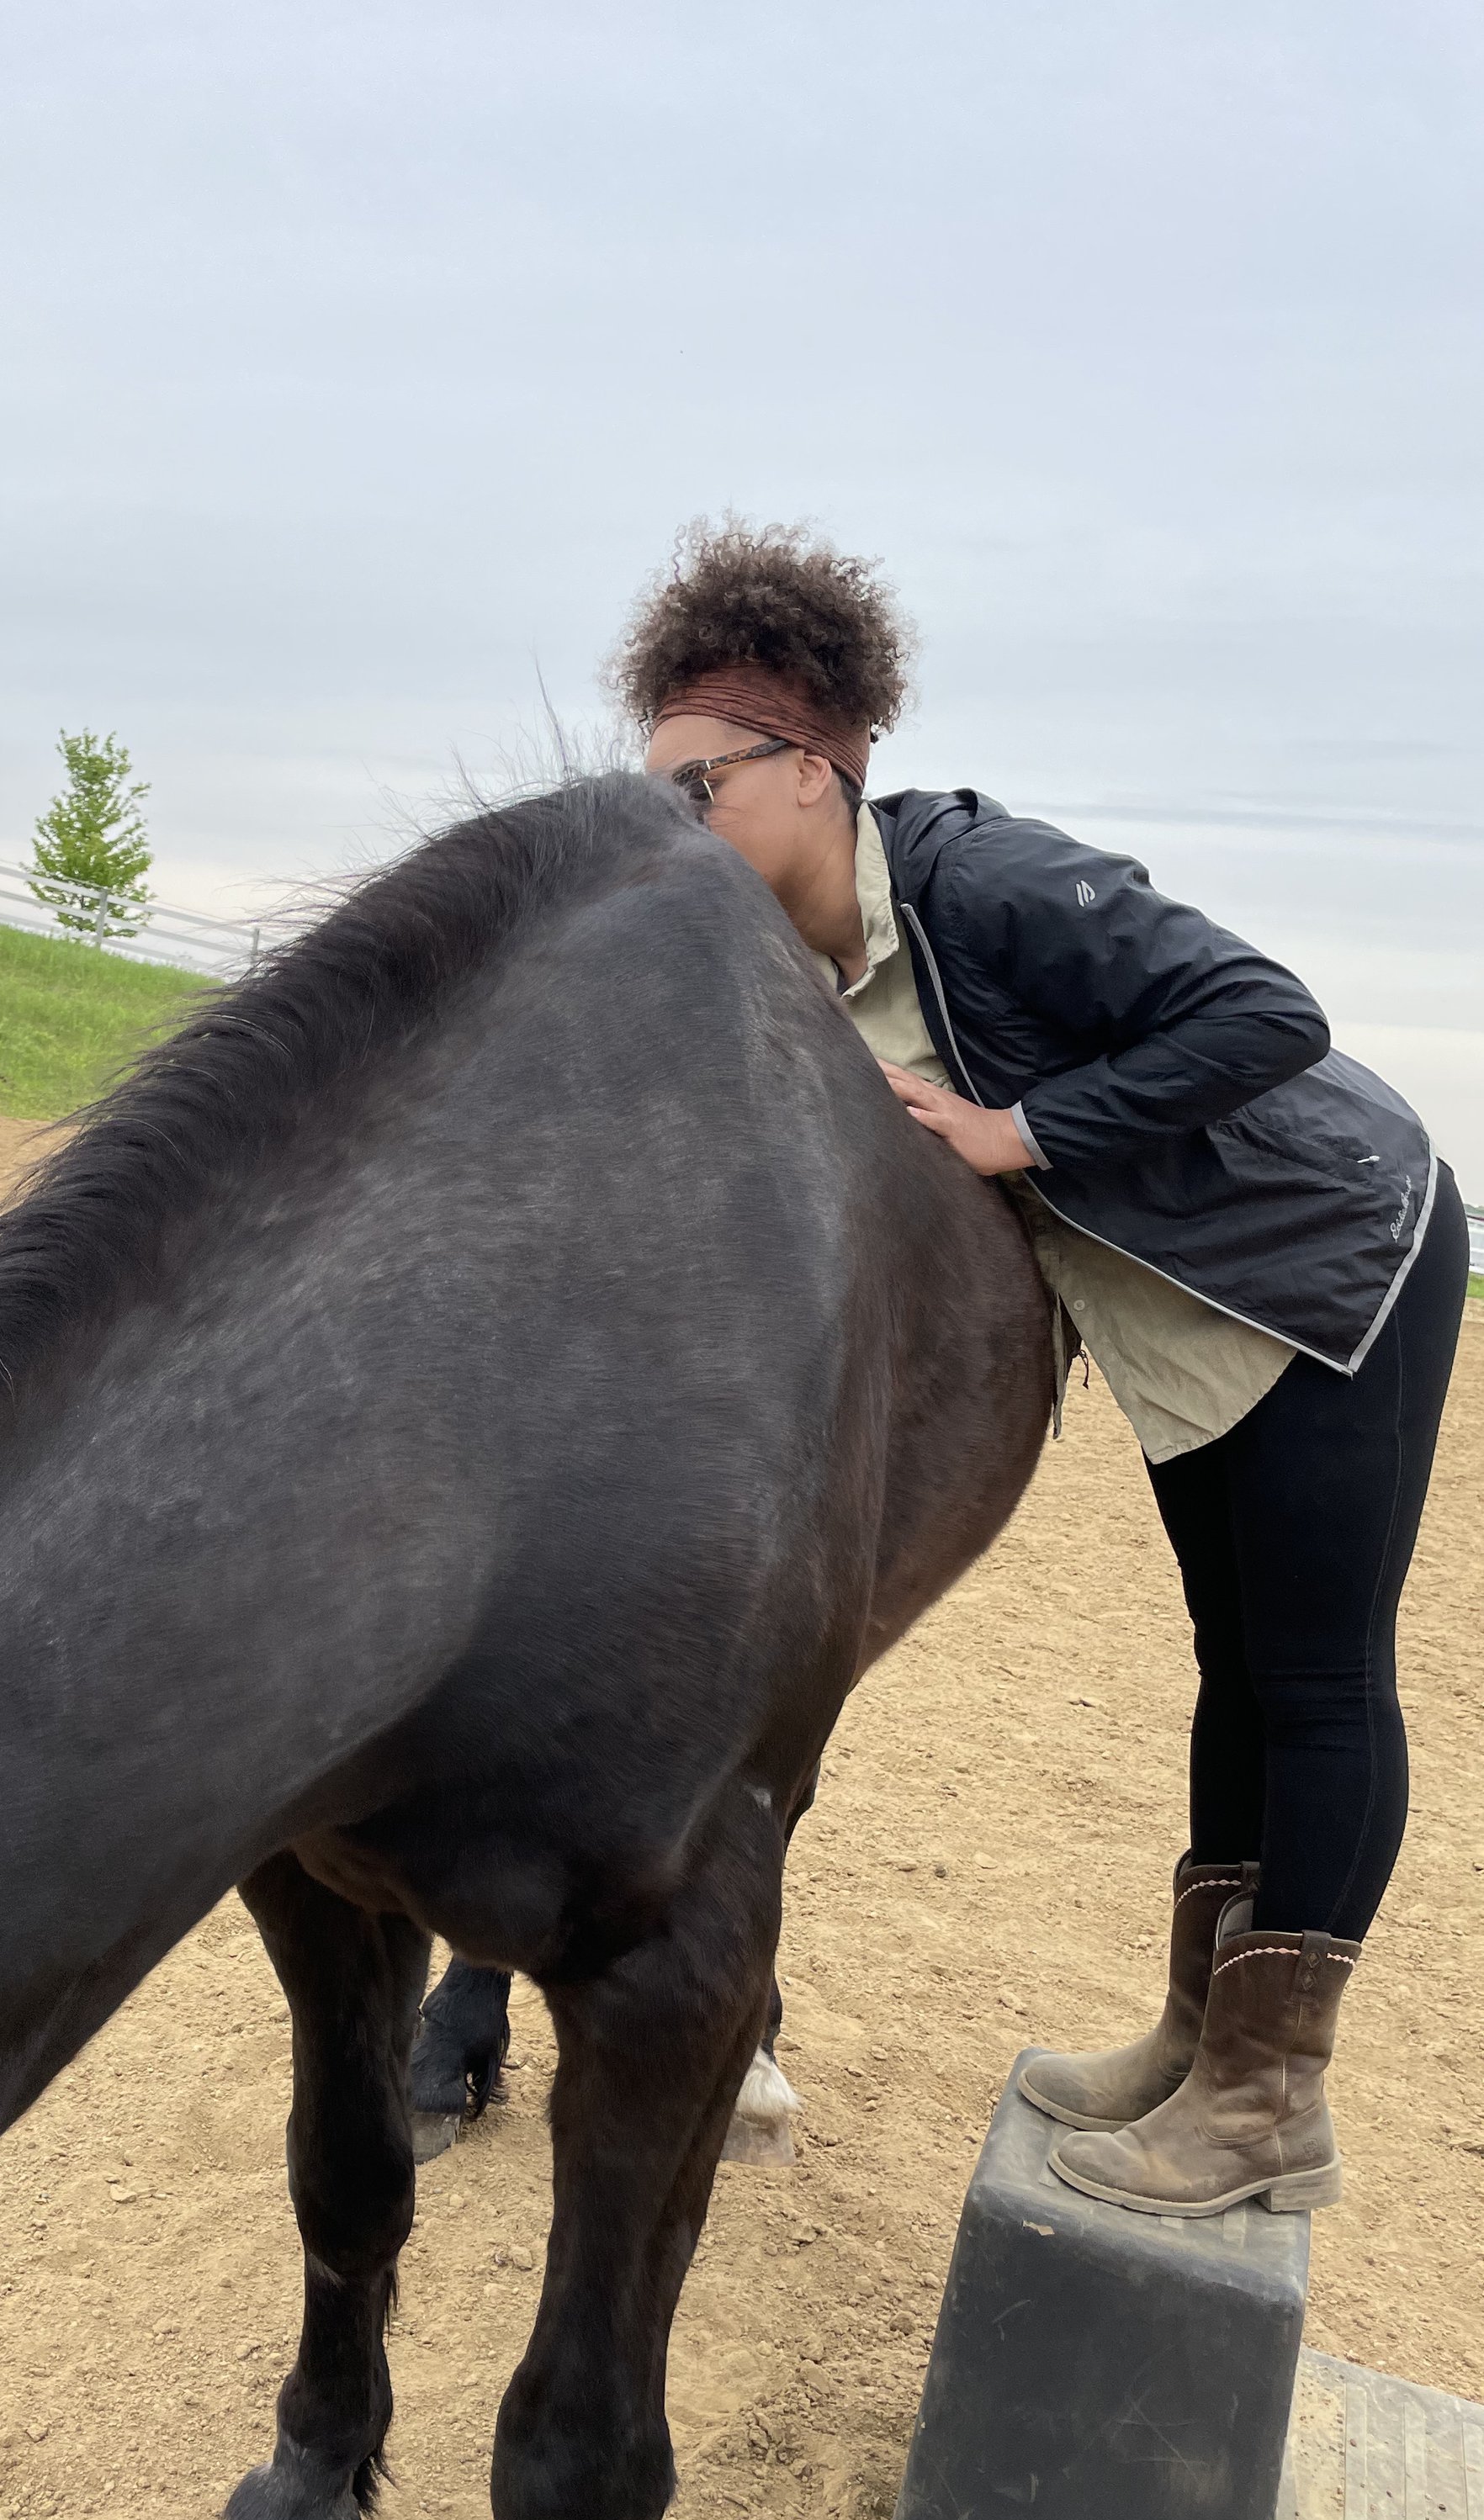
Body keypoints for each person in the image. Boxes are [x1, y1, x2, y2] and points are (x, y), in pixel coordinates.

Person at [619, 516, 1468, 2219]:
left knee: (1309, 1675)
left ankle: (1266, 2099)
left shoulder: (974, 883)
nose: (670, 826)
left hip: (1323, 1257)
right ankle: (1195, 2032)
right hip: (1177, 1313)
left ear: (811, 763)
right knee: (1232, 1667)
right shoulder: (789, 961)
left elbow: (1262, 1012)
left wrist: (1020, 1127)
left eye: (691, 787)